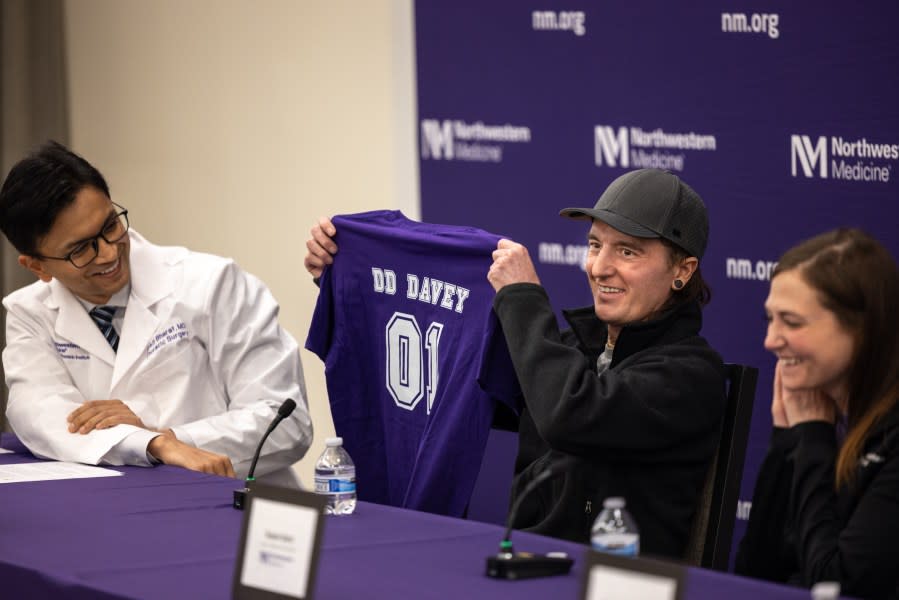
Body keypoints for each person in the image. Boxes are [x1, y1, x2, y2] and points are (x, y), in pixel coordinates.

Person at [305, 168, 726, 557]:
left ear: (682, 271)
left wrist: (523, 299)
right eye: (595, 244)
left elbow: (571, 413)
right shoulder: (576, 350)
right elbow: (452, 374)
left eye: (628, 252)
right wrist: (353, 283)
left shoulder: (691, 375)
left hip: (608, 585)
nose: (600, 267)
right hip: (523, 568)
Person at [0, 141, 312, 486]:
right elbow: (40, 417)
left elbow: (285, 422)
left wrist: (169, 437)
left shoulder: (211, 283)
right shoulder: (29, 312)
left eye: (109, 227)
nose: (107, 254)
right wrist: (153, 444)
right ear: (38, 266)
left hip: (243, 501)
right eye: (81, 249)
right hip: (123, 507)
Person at [735, 228, 899, 598]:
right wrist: (785, 438)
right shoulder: (819, 411)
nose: (770, 340)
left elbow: (835, 585)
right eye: (770, 319)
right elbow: (755, 570)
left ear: (863, 330)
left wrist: (811, 435)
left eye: (791, 323)